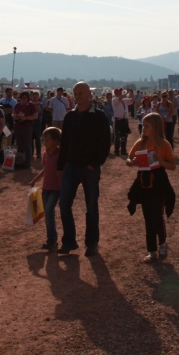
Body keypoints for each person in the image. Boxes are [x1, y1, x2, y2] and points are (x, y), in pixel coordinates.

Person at [57, 82, 111, 257]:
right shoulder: (69, 117)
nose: (78, 96)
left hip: (90, 169)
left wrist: (95, 164)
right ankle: (69, 241)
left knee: (91, 206)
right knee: (64, 204)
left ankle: (92, 243)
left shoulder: (100, 117)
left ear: (90, 94)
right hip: (71, 166)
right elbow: (64, 143)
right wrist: (60, 166)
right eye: (75, 93)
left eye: (81, 93)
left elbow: (105, 143)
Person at [125, 113, 176, 262]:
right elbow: (129, 159)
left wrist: (161, 162)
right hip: (143, 181)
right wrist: (133, 162)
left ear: (155, 127)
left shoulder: (164, 144)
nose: (143, 128)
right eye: (143, 125)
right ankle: (152, 250)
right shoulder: (140, 143)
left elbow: (172, 166)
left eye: (146, 126)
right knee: (147, 216)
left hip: (159, 181)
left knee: (157, 215)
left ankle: (163, 244)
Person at [30, 126, 62, 251]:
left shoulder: (60, 154)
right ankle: (51, 238)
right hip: (46, 187)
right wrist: (35, 180)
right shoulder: (45, 154)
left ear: (55, 140)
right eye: (44, 140)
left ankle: (52, 238)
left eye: (47, 140)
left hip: (56, 188)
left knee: (49, 211)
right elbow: (45, 170)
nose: (45, 142)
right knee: (48, 213)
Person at [12, 91, 37, 168]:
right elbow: (13, 113)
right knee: (19, 144)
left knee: (27, 144)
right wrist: (14, 116)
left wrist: (26, 118)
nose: (23, 99)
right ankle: (20, 161)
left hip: (27, 127)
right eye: (22, 97)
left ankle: (28, 162)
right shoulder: (17, 105)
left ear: (27, 98)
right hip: (18, 127)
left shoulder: (31, 106)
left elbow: (35, 116)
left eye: (25, 97)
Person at [111, 88, 133, 157]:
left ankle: (123, 150)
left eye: (120, 92)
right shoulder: (114, 100)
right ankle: (116, 151)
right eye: (119, 92)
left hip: (124, 120)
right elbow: (120, 98)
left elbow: (132, 100)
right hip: (118, 120)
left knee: (124, 136)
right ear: (115, 93)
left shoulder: (125, 100)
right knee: (117, 136)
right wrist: (126, 93)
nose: (120, 93)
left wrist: (132, 93)